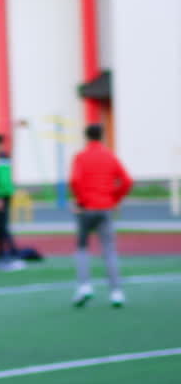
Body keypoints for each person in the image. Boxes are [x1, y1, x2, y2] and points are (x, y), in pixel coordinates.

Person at [69, 122, 133, 307]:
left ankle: (84, 286)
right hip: (105, 207)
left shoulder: (81, 157)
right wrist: (114, 199)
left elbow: (75, 180)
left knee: (82, 248)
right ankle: (116, 292)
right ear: (102, 136)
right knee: (109, 250)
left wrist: (80, 201)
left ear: (86, 137)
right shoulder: (110, 156)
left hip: (86, 208)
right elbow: (126, 181)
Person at [0, 133, 23, 269]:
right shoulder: (4, 157)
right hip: (3, 195)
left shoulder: (2, 158)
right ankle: (2, 252)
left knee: (1, 226)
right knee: (0, 227)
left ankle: (10, 253)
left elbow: (3, 180)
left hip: (1, 196)